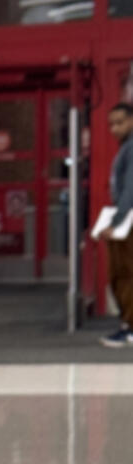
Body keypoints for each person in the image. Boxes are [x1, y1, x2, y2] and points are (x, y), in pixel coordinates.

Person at [101, 101, 133, 348]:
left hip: (129, 222)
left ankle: (129, 327)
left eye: (120, 122)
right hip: (126, 219)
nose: (114, 128)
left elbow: (130, 188)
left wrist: (117, 220)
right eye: (111, 123)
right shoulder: (125, 147)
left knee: (124, 273)